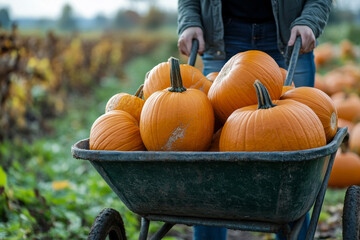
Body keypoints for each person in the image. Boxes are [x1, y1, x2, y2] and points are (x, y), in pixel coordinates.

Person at [177, 0, 332, 240]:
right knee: (210, 153)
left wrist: (310, 19)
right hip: (222, 36)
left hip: (289, 34)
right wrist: (189, 22)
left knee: (295, 150)